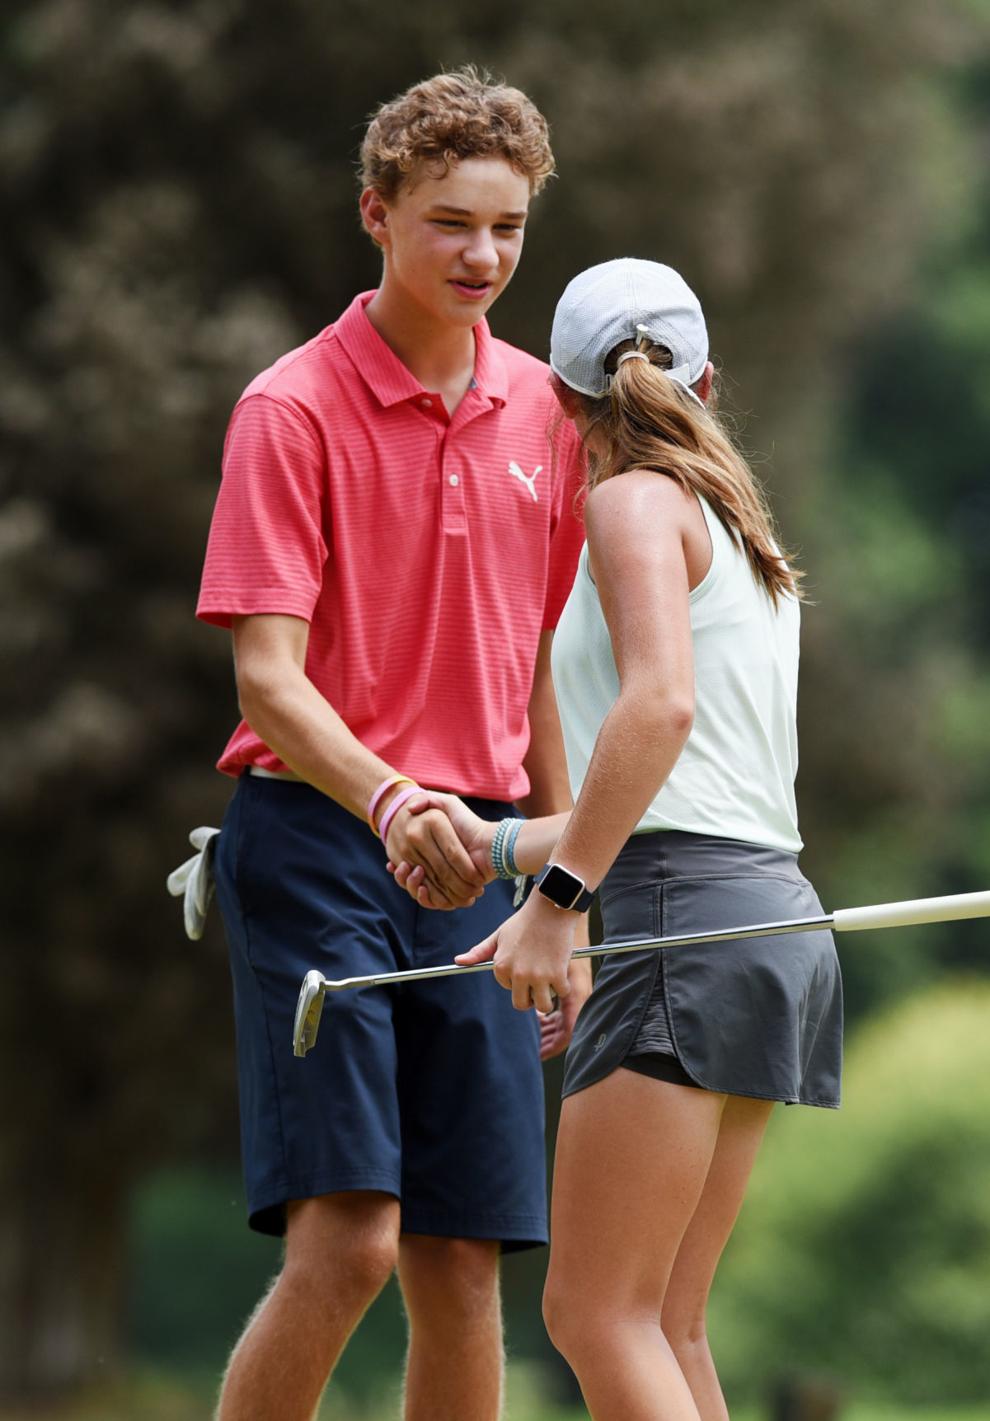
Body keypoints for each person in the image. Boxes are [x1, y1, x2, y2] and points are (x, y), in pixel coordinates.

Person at [194, 69, 588, 1421]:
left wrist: (564, 886)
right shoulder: (288, 408)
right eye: (447, 223)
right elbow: (267, 681)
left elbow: (534, 662)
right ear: (376, 215)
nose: (482, 256)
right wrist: (389, 797)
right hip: (319, 837)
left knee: (461, 1261)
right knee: (352, 1240)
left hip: (480, 852)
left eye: (508, 227)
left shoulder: (549, 414)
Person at [394, 258, 843, 1421]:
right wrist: (494, 852)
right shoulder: (741, 531)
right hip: (765, 913)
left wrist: (551, 903)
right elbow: (673, 783)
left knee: (594, 1313)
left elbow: (657, 713)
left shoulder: (630, 500)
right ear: (708, 377)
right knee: (665, 1319)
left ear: (559, 396)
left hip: (676, 918)